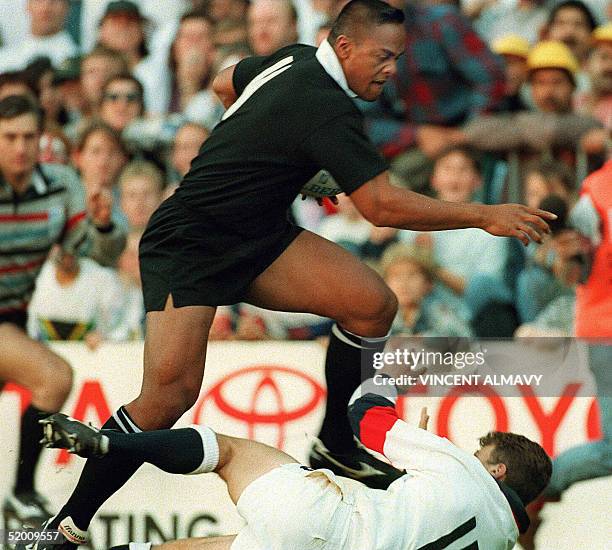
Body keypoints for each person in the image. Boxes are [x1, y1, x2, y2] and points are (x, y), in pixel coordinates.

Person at [37, 2, 556, 547]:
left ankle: (334, 444)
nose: (391, 70)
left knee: (372, 305)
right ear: (346, 47)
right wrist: (484, 215)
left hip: (257, 235)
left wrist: (277, 155)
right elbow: (379, 206)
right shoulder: (326, 107)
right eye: (383, 57)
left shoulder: (293, 59)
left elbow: (221, 82)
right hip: (190, 243)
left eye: (398, 58)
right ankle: (64, 527)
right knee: (167, 399)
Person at [39, 376, 552, 550]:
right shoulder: (498, 543)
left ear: (497, 470)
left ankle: (112, 445)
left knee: (228, 451)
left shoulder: (462, 468)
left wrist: (389, 379)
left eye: (481, 454)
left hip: (325, 514)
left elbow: (363, 416)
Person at [0, 94, 125, 529]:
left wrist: (105, 225)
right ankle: (20, 492)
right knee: (53, 376)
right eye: (9, 137)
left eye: (29, 137)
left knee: (51, 380)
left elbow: (100, 255)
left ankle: (20, 493)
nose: (20, 147)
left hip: (12, 321)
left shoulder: (60, 186)